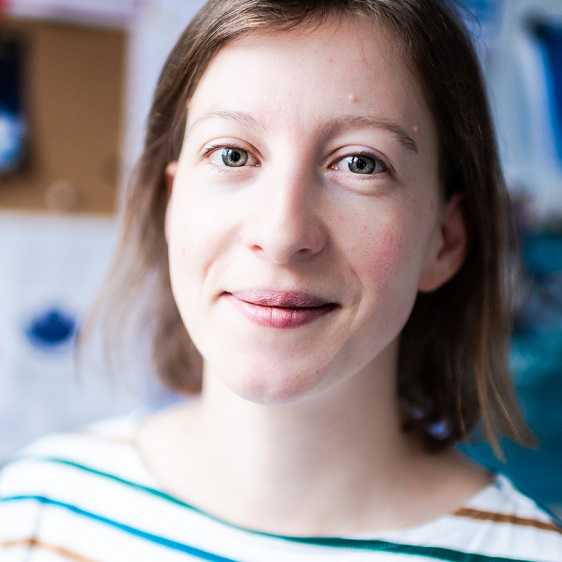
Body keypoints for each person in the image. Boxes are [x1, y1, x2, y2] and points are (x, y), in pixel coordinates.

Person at [1, 0, 561, 560]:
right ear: (174, 205)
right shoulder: (35, 515)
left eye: (361, 163)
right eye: (231, 154)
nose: (281, 233)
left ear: (445, 240)